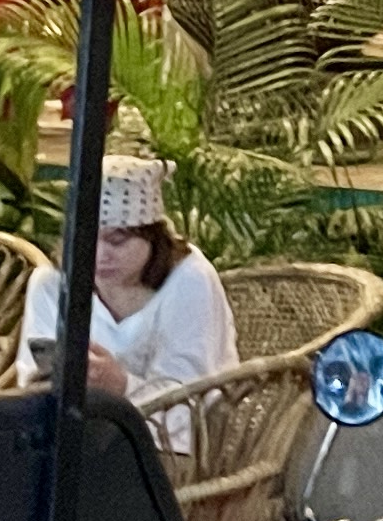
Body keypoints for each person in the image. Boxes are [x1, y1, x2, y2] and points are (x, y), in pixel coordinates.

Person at [17, 156, 237, 440]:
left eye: (117, 240)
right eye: (87, 238)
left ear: (153, 238)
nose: (99, 255)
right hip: (76, 439)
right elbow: (31, 385)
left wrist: (121, 385)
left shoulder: (189, 279)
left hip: (176, 446)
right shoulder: (52, 285)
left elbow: (187, 404)